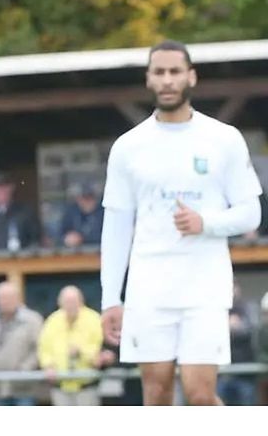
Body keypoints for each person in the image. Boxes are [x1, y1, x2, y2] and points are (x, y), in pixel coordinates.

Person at [100, 40, 263, 406]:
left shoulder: (223, 139)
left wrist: (206, 223)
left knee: (200, 395)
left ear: (191, 76)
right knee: (156, 395)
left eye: (175, 71)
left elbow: (251, 213)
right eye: (160, 72)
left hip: (204, 288)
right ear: (148, 80)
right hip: (148, 290)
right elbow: (116, 228)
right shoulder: (128, 146)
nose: (168, 80)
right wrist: (111, 297)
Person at [0, 281, 43, 406]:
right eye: (2, 298)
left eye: (9, 297)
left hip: (23, 389)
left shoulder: (32, 320)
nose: (5, 301)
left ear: (17, 298)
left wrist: (25, 368)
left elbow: (39, 349)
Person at [37, 286, 104, 406]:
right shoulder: (52, 321)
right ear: (60, 303)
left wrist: (82, 352)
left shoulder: (95, 320)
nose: (70, 305)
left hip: (86, 385)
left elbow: (101, 349)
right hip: (60, 385)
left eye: (74, 301)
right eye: (67, 302)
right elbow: (44, 348)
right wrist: (48, 365)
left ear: (81, 301)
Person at [0, 171, 40, 251]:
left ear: (12, 187)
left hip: (21, 260)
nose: (2, 191)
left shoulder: (25, 211)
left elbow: (35, 239)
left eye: (5, 186)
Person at [60, 182, 104, 248]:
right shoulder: (71, 213)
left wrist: (82, 238)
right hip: (75, 254)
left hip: (98, 252)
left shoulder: (102, 213)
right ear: (78, 199)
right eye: (84, 198)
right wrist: (66, 238)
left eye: (90, 198)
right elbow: (59, 235)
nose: (87, 201)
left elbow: (107, 236)